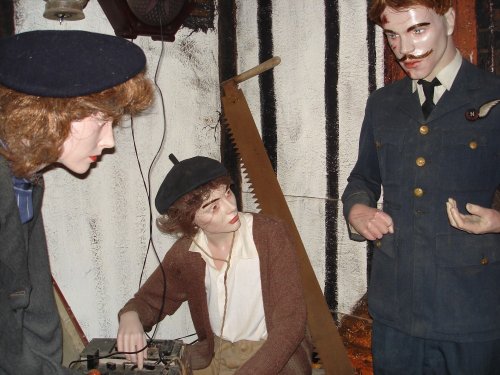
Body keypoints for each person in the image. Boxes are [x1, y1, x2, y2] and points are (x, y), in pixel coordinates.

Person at [341, 1, 500, 373]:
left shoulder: (494, 96)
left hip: (471, 311)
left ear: (448, 20)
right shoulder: (382, 105)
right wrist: (358, 209)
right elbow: (363, 177)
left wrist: (496, 220)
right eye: (392, 35)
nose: (405, 49)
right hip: (396, 311)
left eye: (417, 30)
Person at [0, 30, 153, 374]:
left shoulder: (26, 180)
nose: (110, 141)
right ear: (49, 114)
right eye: (102, 122)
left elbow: (35, 307)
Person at [117, 155, 312, 374]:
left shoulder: (270, 235)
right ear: (191, 219)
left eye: (227, 192)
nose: (230, 207)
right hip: (214, 354)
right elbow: (149, 300)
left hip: (272, 355)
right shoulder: (186, 253)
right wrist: (130, 316)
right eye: (213, 206)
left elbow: (291, 323)